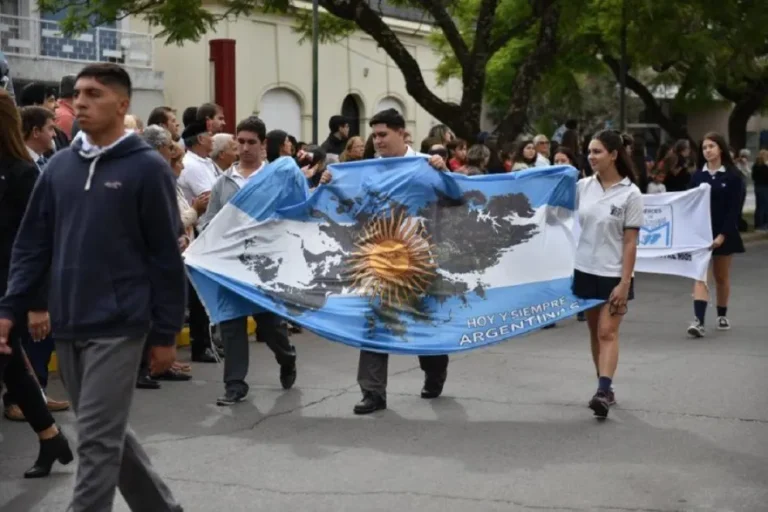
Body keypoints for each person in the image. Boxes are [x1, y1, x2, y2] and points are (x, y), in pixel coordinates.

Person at [0, 63, 185, 511]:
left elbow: (165, 257)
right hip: (69, 321)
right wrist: (10, 309)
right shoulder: (59, 168)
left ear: (122, 105)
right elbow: (31, 245)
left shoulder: (146, 169)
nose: (80, 101)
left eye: (94, 93)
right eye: (78, 93)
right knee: (109, 433)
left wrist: (165, 334)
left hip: (120, 326)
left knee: (96, 443)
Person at [352, 108, 449, 415]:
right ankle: (372, 392)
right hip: (379, 261)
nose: (377, 141)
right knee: (374, 324)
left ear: (402, 134)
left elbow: (456, 198)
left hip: (421, 260)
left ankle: (435, 370)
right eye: (374, 135)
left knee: (423, 323)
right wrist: (327, 179)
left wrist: (443, 171)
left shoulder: (425, 166)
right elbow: (350, 205)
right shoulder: (367, 171)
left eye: (383, 135)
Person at [199, 118, 299, 406]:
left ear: (264, 145)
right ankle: (235, 385)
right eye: (239, 142)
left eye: (250, 142)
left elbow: (295, 214)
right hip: (230, 266)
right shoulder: (223, 182)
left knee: (269, 327)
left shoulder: (277, 178)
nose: (244, 148)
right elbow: (209, 222)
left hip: (265, 267)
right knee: (231, 325)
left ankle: (287, 356)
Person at [0, 88, 73, 479]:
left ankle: (50, 437)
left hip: (8, 288)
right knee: (11, 367)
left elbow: (35, 243)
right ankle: (50, 437)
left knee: (10, 363)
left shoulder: (22, 172)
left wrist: (37, 303)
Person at [572, 130, 643, 419]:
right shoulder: (582, 187)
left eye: (598, 151)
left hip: (615, 274)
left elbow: (630, 242)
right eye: (589, 151)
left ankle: (603, 390)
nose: (591, 157)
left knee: (607, 331)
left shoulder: (631, 193)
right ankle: (605, 386)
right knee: (594, 332)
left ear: (614, 155)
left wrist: (624, 283)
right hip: (585, 269)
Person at [686, 132, 745, 337]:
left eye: (711, 146)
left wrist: (722, 235)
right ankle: (698, 321)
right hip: (700, 235)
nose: (707, 150)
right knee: (701, 275)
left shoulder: (733, 176)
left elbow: (734, 210)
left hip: (724, 233)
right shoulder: (697, 176)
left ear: (720, 148)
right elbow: (689, 205)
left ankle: (722, 314)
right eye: (704, 147)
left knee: (721, 276)